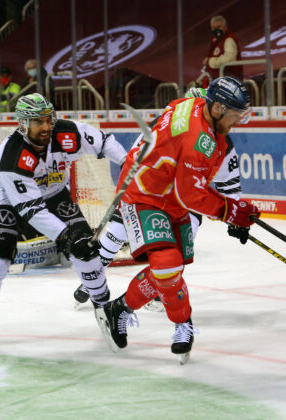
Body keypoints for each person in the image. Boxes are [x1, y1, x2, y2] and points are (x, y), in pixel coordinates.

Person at [95, 77, 259, 364]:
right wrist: (231, 212)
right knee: (167, 265)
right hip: (143, 195)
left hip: (168, 194)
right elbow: (191, 194)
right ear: (218, 108)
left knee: (171, 270)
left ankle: (118, 309)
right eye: (235, 115)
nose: (237, 122)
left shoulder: (195, 106)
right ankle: (184, 325)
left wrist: (232, 208)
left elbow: (190, 182)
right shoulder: (200, 139)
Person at [0, 93, 127, 350]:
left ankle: (104, 307)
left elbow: (104, 142)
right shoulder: (12, 158)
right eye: (37, 122)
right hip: (10, 204)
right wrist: (66, 238)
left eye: (47, 120)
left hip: (56, 196)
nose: (46, 127)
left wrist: (128, 162)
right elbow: (32, 211)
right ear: (23, 124)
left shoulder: (66, 132)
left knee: (86, 253)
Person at [73, 86, 250, 310]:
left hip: (187, 200)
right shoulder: (167, 122)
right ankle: (93, 279)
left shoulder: (220, 143)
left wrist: (233, 216)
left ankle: (156, 290)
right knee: (118, 230)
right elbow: (137, 157)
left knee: (178, 250)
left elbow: (229, 185)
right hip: (150, 193)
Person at [200, 16, 243, 88]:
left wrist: (210, 61)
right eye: (213, 28)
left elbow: (229, 58)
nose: (216, 30)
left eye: (219, 27)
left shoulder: (229, 40)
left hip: (228, 83)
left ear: (225, 27)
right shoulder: (216, 41)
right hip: (218, 83)